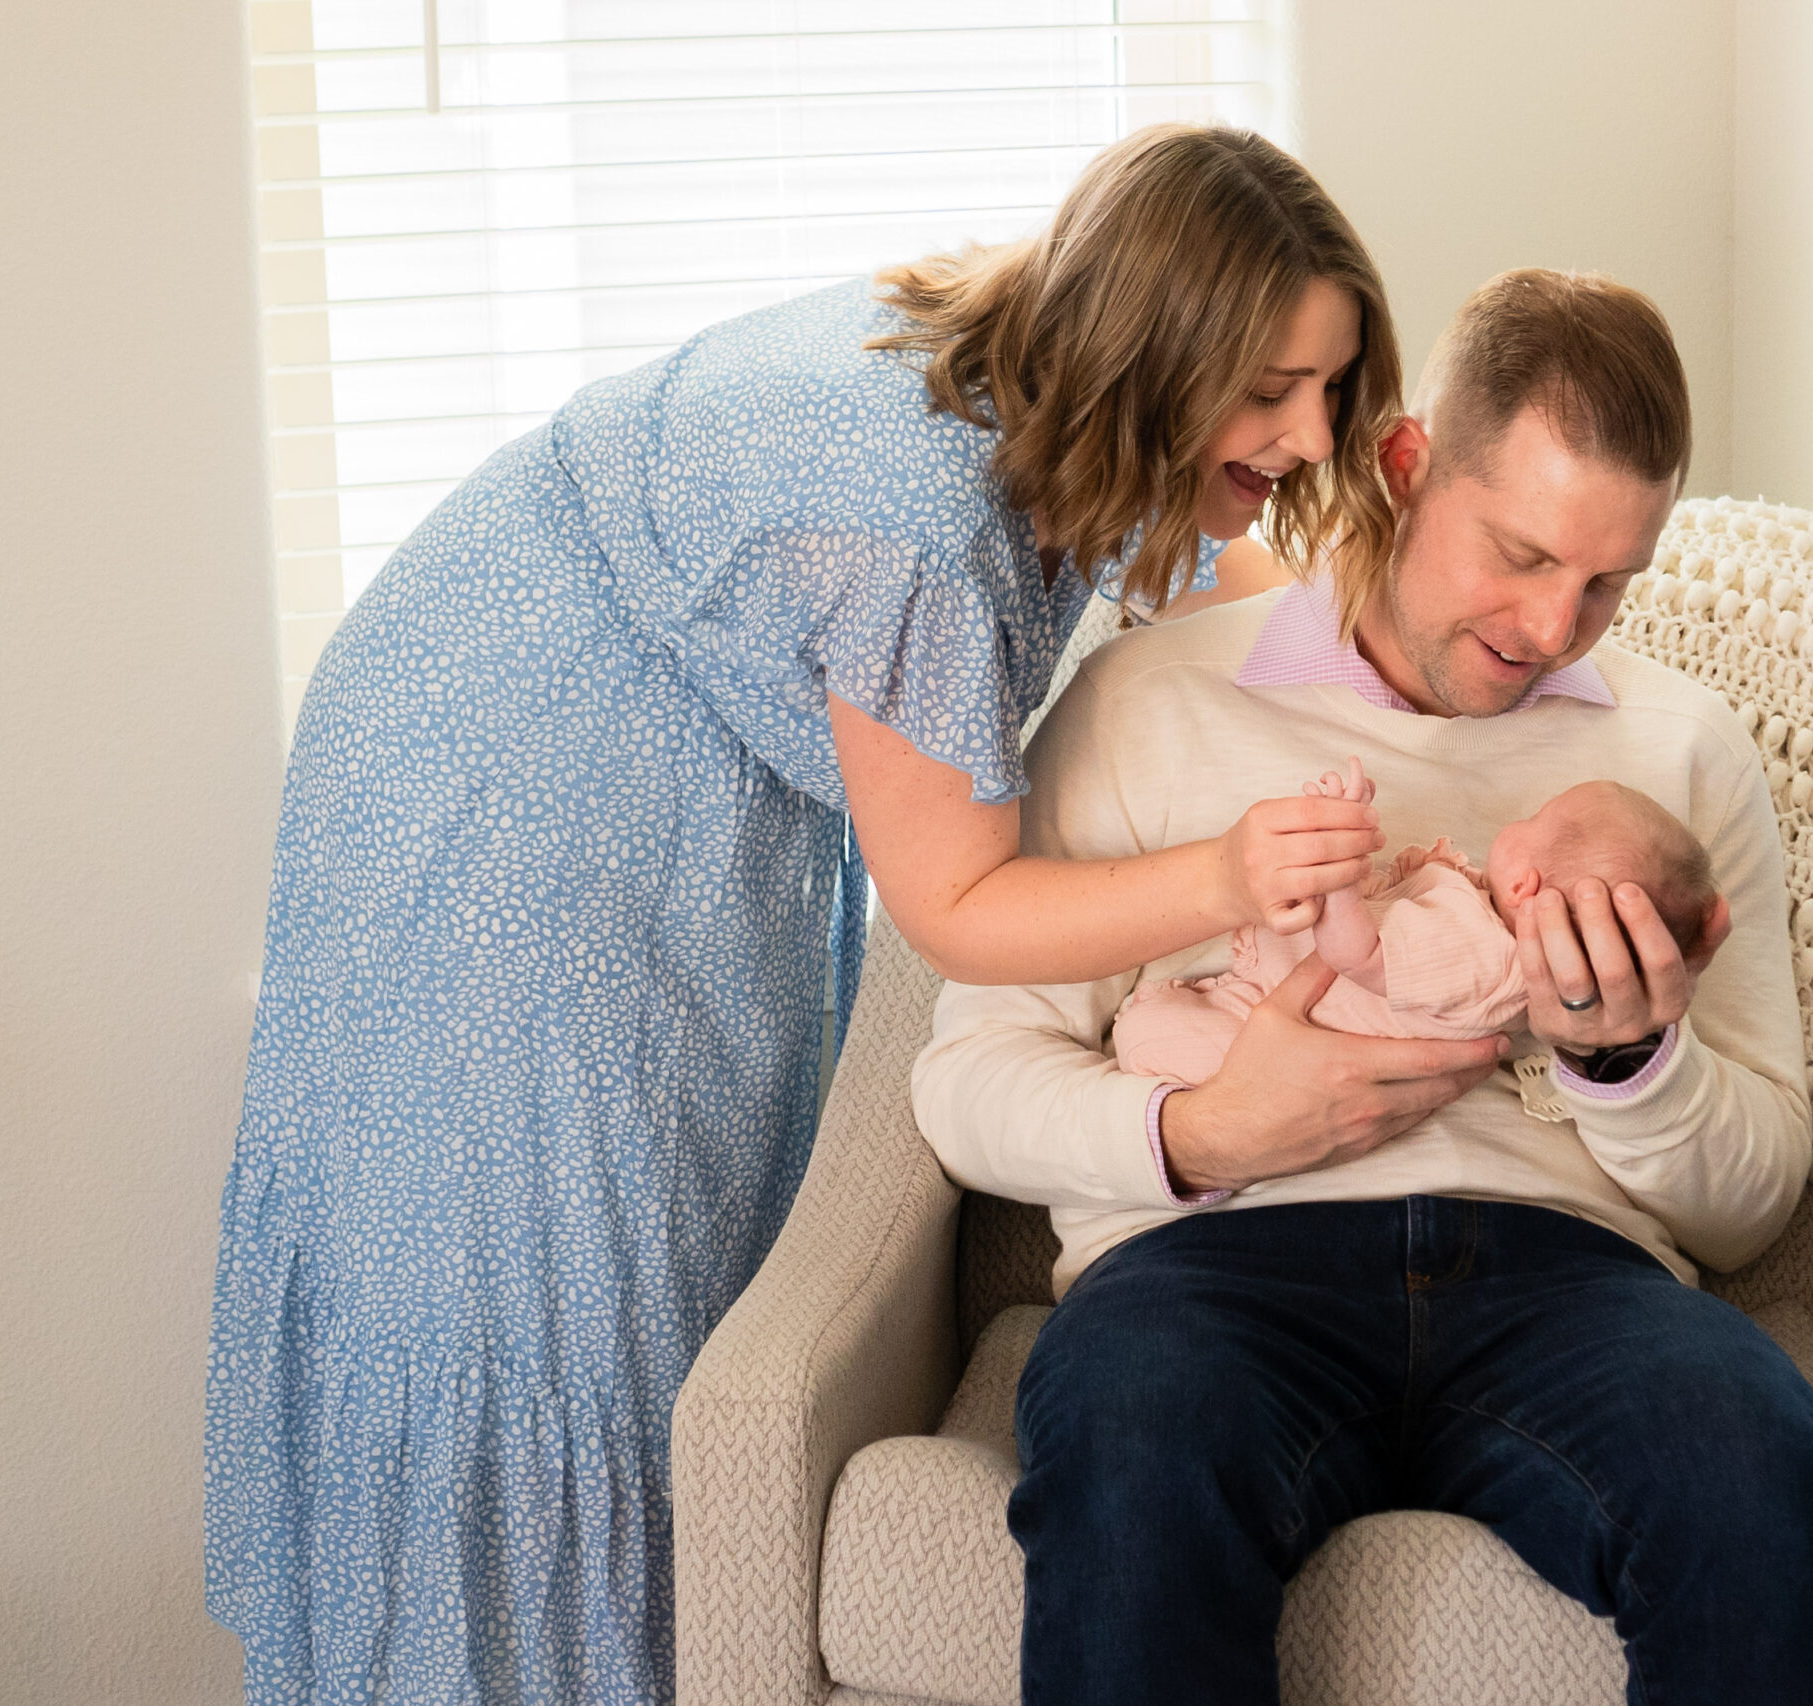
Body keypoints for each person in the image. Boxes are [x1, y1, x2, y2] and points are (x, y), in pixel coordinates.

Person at [205, 125, 1404, 1705]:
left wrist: (1411, 623)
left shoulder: (1041, 365)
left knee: (657, 1275)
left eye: (1332, 386)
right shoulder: (913, 521)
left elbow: (1227, 567)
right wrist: (1234, 874)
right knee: (538, 1305)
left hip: (589, 728)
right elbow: (963, 902)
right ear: (1148, 349)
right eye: (1270, 390)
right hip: (508, 790)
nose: (1310, 433)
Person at [914, 268, 1813, 1705]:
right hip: (1206, 1281)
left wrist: (1632, 1067)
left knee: (1760, 1478)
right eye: (1522, 552)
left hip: (1573, 1283)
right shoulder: (1146, 702)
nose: (1558, 626)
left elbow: (1752, 1204)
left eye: (1611, 579)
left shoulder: (1683, 757)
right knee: (1136, 1463)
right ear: (1406, 462)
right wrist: (1203, 1133)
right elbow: (966, 1083)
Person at [1111, 763, 1725, 1084]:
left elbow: (1362, 954)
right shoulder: (1490, 933)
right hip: (1281, 1006)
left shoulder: (1482, 951)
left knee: (1146, 1035)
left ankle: (1155, 1025)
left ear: (1525, 885)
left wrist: (1342, 871)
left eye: (1534, 818)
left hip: (1268, 1032)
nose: (1517, 819)